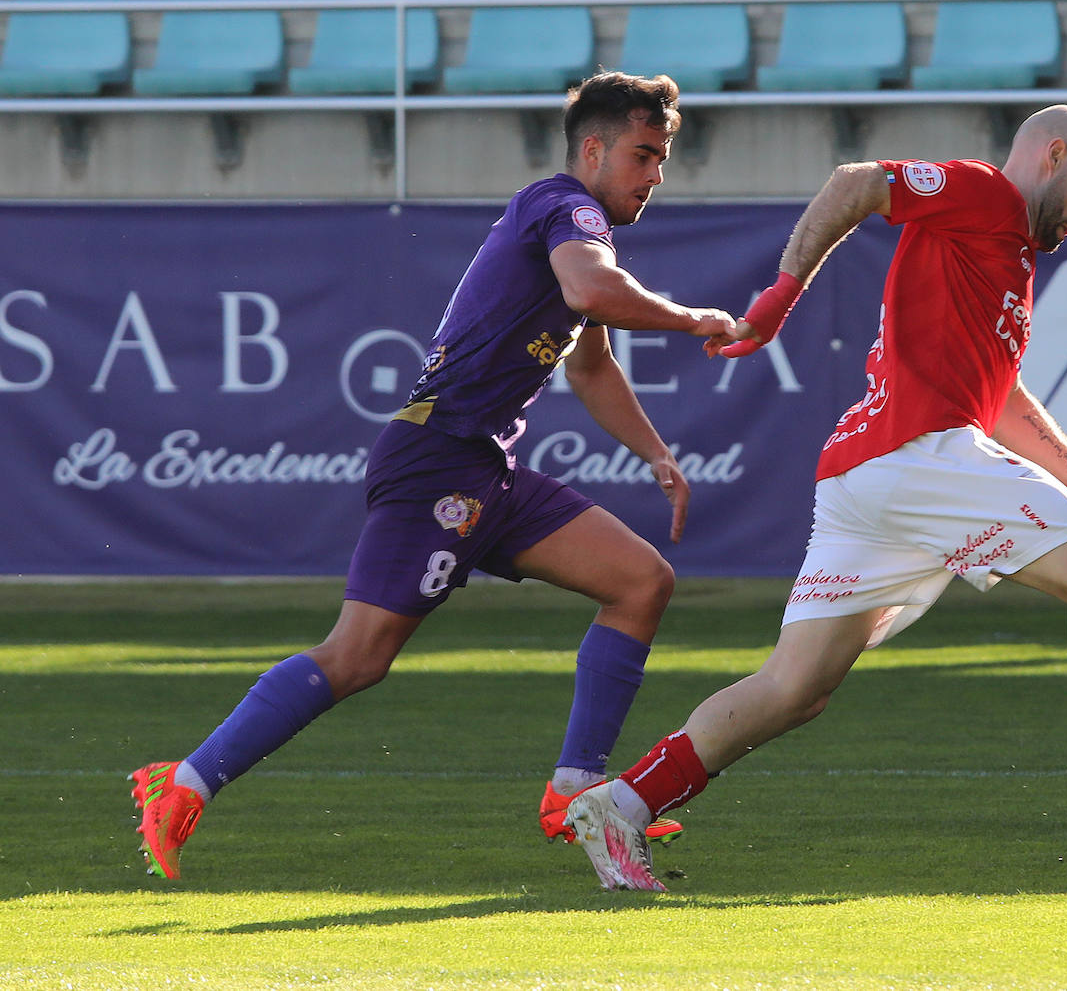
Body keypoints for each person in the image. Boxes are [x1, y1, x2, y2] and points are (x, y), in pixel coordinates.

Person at [567, 104, 1067, 892]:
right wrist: (778, 297)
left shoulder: (1006, 259)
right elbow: (856, 183)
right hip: (914, 451)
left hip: (865, 477)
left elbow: (997, 403)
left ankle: (622, 804)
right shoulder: (984, 195)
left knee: (794, 689)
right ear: (1053, 153)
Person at [129, 71, 736, 880]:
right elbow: (593, 290)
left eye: (661, 159)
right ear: (592, 150)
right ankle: (184, 780)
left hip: (488, 463)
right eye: (643, 154)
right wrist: (693, 317)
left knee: (640, 581)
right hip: (438, 457)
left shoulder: (581, 231)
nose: (655, 175)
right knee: (359, 656)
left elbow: (591, 366)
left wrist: (655, 453)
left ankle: (575, 791)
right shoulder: (566, 208)